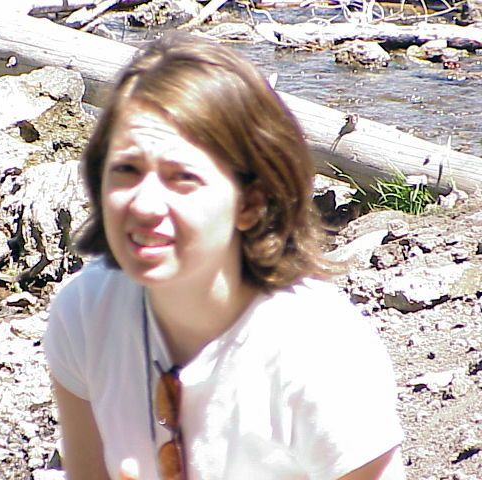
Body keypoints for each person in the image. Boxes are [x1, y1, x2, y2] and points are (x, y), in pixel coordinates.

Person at [43, 34, 405, 480]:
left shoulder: (320, 350)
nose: (144, 205)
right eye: (126, 170)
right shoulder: (86, 312)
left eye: (182, 177)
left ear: (250, 203)